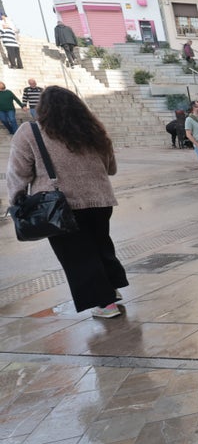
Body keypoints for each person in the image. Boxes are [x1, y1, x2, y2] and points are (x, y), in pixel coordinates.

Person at [6, 86, 128, 319]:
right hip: (101, 201)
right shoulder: (93, 131)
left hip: (62, 205)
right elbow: (110, 168)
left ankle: (105, 304)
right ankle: (111, 290)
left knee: (77, 256)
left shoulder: (30, 131)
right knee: (100, 246)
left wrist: (16, 201)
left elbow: (18, 172)